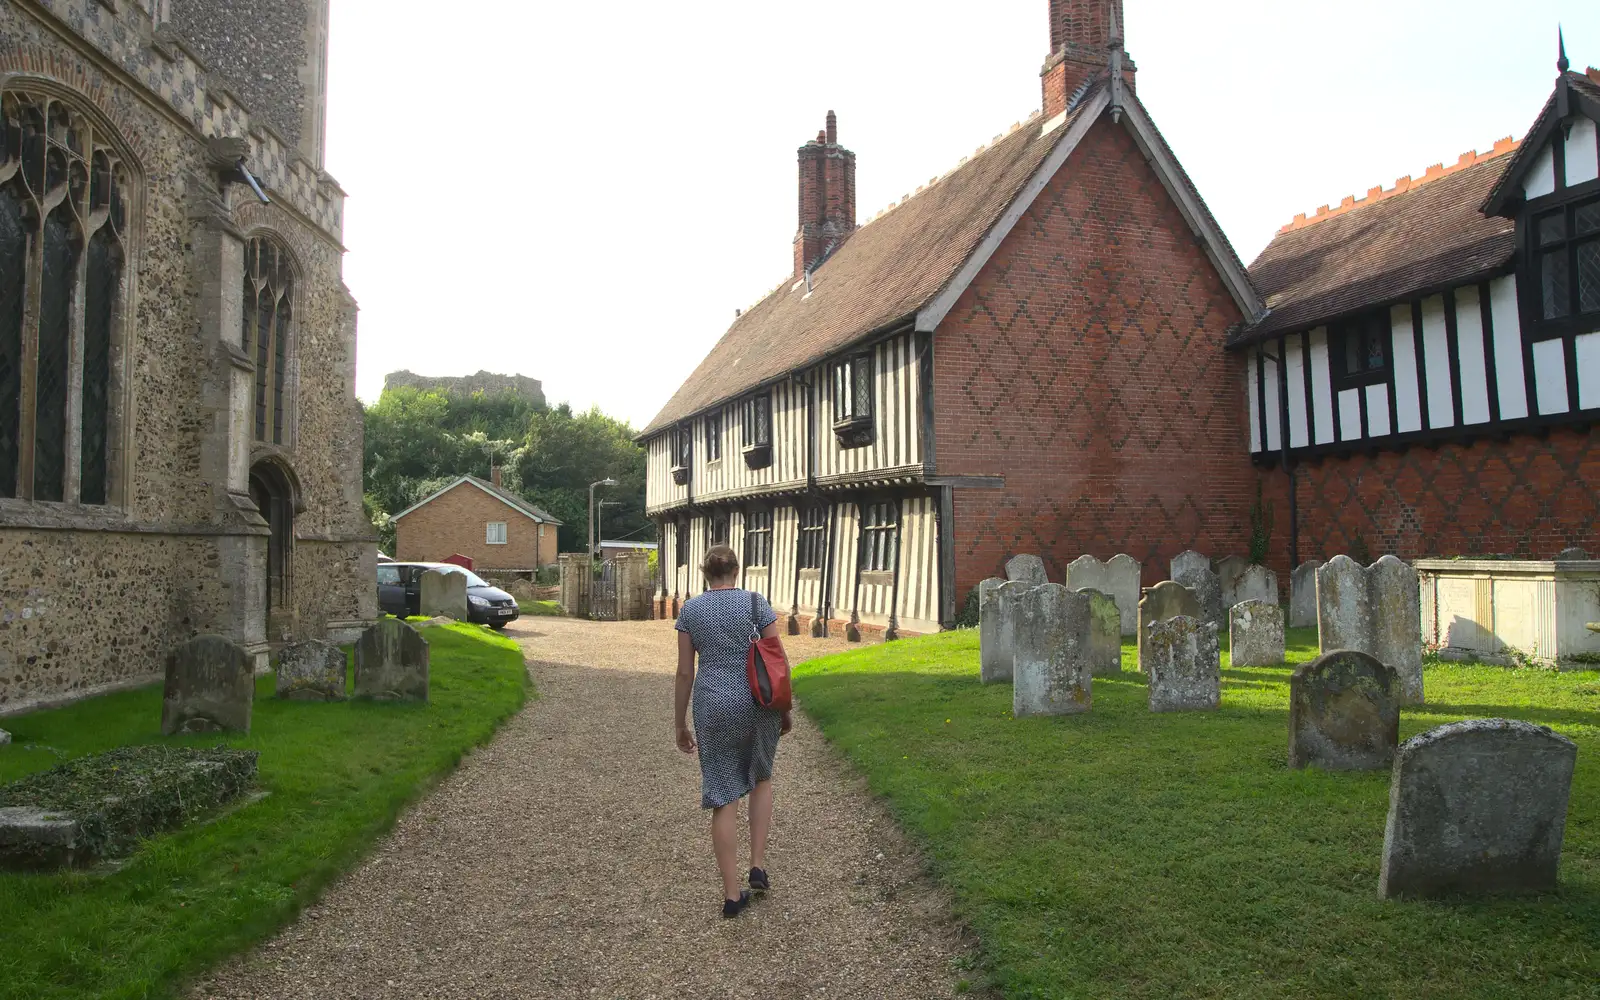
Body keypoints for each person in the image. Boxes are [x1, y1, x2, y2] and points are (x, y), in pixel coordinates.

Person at [673, 544, 792, 918]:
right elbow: (778, 658)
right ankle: (757, 865)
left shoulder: (690, 610)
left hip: (713, 706)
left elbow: (684, 672)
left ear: (705, 574)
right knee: (761, 777)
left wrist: (679, 722)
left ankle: (730, 895)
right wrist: (786, 707)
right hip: (759, 702)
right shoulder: (757, 604)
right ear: (736, 571)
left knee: (724, 794)